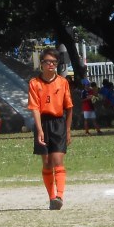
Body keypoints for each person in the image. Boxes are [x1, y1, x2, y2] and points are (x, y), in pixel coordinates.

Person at [27, 48, 73, 210]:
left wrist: (68, 130)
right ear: (42, 63)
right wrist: (39, 130)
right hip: (43, 123)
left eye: (54, 62)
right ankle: (52, 198)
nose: (51, 64)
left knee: (57, 160)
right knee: (47, 163)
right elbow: (34, 108)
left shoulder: (63, 82)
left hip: (58, 123)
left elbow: (69, 108)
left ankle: (59, 196)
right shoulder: (34, 83)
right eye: (48, 61)